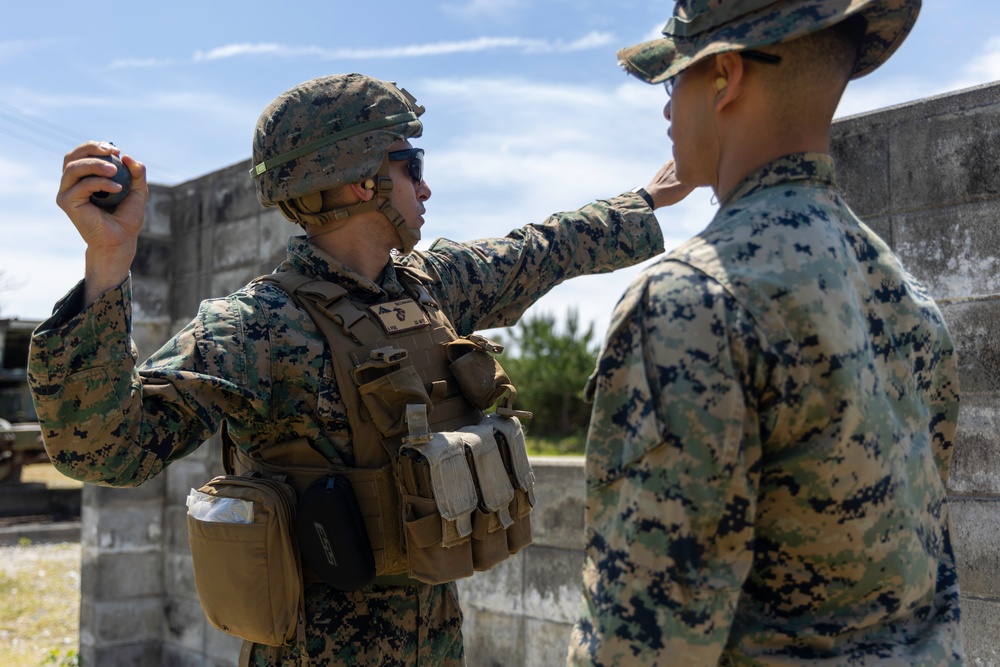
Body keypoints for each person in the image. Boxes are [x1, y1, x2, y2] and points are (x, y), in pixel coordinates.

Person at [28, 73, 693, 666]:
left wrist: (648, 200)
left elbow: (542, 249)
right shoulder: (253, 326)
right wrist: (108, 265)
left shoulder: (433, 285)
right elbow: (108, 451)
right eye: (412, 165)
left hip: (434, 641)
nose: (426, 186)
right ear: (360, 181)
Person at [569, 1, 965, 665]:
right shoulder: (912, 302)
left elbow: (641, 644)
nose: (669, 111)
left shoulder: (693, 298)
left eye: (676, 82)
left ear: (726, 77)